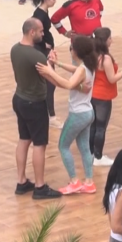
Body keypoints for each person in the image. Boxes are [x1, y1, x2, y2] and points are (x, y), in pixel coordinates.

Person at [37, 36, 98, 195]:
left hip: (78, 115)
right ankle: (89, 182)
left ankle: (74, 181)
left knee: (63, 146)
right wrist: (57, 64)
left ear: (76, 51)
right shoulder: (88, 66)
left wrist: (50, 71)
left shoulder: (82, 69)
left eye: (71, 48)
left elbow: (69, 84)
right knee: (84, 148)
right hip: (88, 112)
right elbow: (74, 70)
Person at [10, 18, 62, 199]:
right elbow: (53, 78)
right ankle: (40, 187)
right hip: (35, 103)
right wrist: (53, 63)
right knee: (39, 144)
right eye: (40, 31)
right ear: (32, 32)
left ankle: (21, 181)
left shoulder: (15, 49)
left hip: (19, 99)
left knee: (24, 139)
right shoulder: (36, 56)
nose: (43, 33)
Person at [89, 28, 122, 167]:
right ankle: (98, 157)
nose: (111, 40)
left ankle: (90, 153)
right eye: (110, 38)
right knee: (101, 127)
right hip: (103, 97)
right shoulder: (105, 59)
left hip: (93, 95)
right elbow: (112, 79)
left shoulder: (93, 55)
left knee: (93, 126)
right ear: (105, 41)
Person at [32, 0, 63, 129]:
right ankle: (51, 116)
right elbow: (33, 32)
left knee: (49, 83)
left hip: (46, 51)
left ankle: (47, 113)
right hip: (42, 51)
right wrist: (44, 44)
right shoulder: (39, 15)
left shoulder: (44, 12)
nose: (55, 1)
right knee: (50, 83)